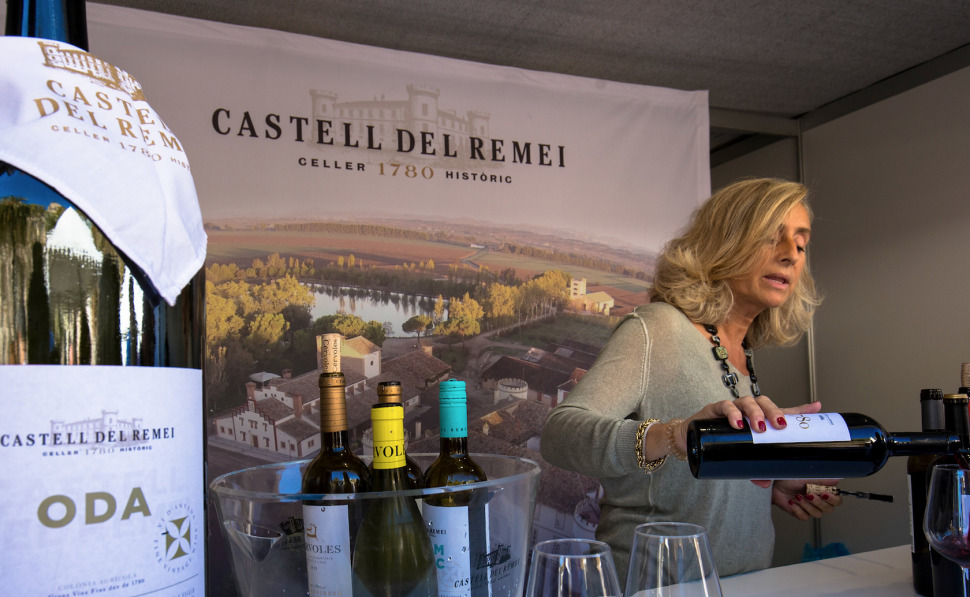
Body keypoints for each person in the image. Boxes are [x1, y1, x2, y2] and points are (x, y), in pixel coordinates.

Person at [540, 177, 843, 579]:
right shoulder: (657, 328)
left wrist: (771, 490)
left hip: (746, 584)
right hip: (656, 586)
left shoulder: (740, 350)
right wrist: (675, 434)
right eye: (773, 238)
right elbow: (560, 434)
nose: (791, 255)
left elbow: (694, 483)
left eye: (801, 244)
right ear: (724, 242)